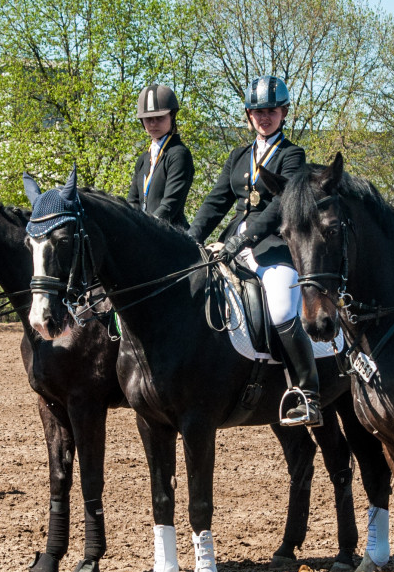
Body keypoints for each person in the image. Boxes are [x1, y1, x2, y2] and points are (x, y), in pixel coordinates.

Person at [189, 76, 320, 426]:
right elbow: (216, 201)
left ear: (284, 114)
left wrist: (242, 240)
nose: (265, 117)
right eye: (258, 111)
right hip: (231, 243)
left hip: (273, 247)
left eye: (272, 111)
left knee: (280, 308)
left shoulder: (293, 155)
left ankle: (308, 393)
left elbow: (280, 205)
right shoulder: (239, 155)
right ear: (249, 115)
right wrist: (189, 238)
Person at [128, 83, 194, 229]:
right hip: (144, 233)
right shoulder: (143, 159)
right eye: (148, 118)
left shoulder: (178, 154)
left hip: (170, 234)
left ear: (172, 116)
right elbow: (132, 201)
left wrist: (146, 229)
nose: (153, 123)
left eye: (160, 117)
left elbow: (170, 205)